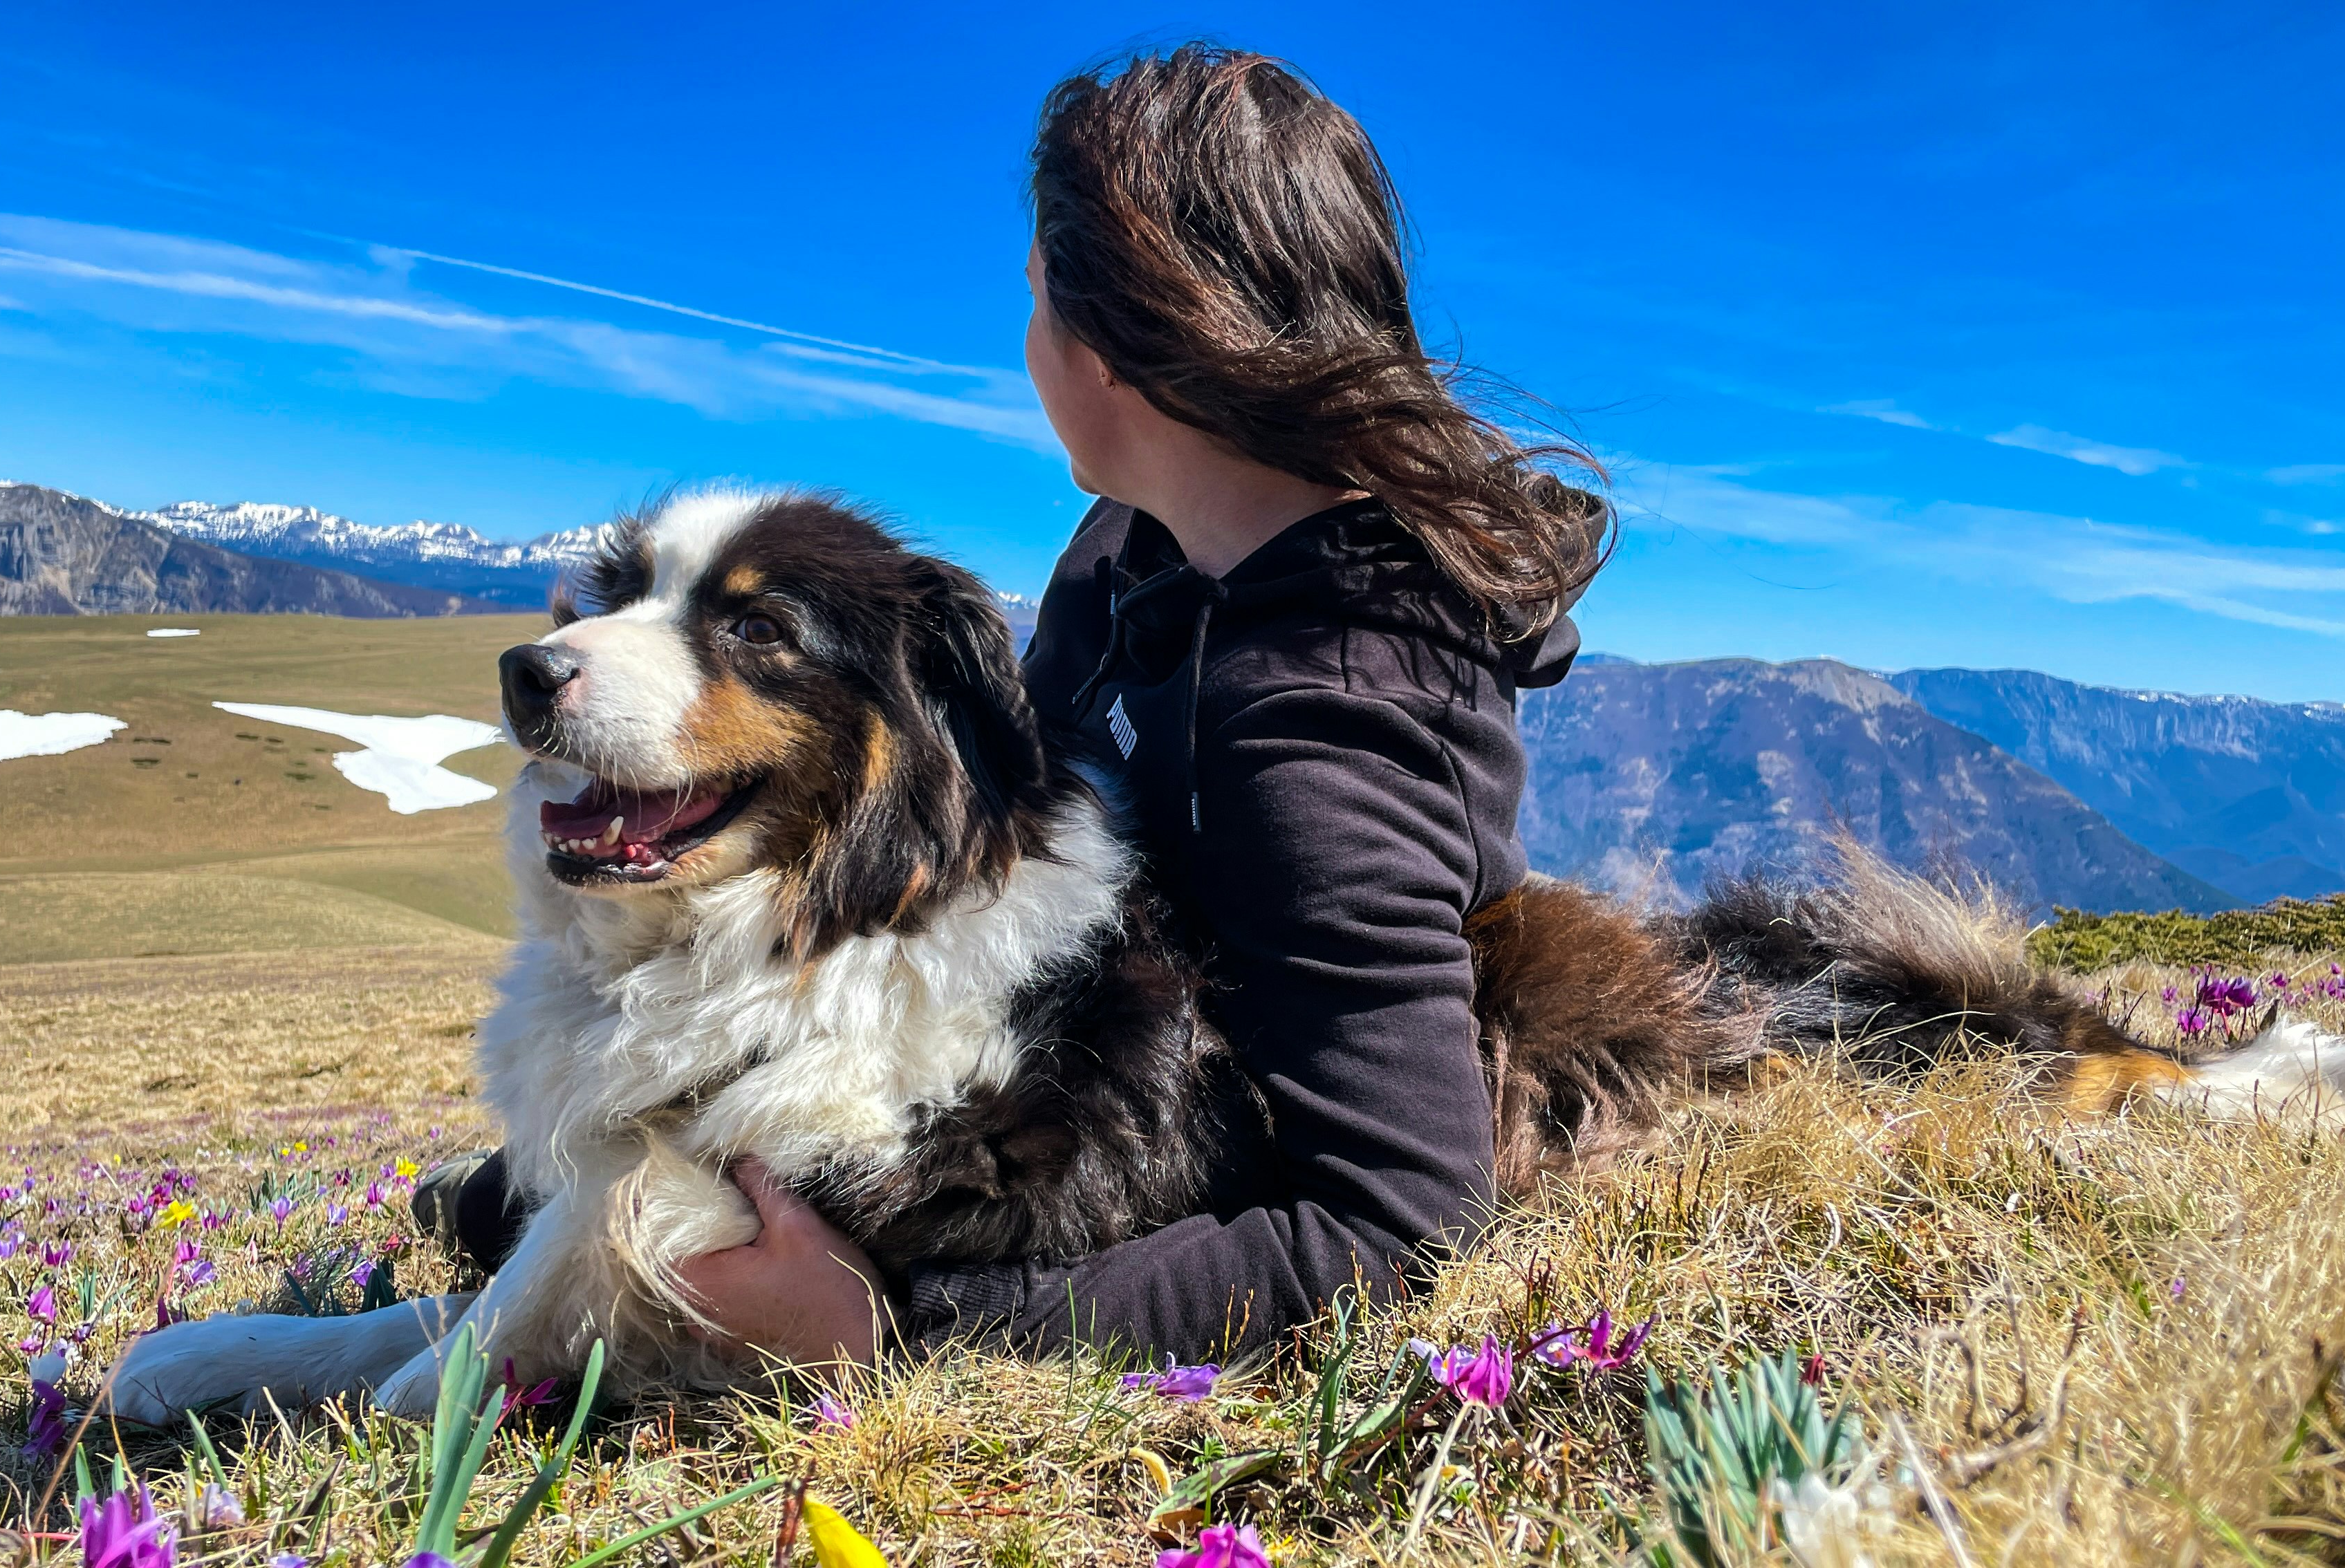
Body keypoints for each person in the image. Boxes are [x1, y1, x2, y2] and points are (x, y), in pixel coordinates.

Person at [418, 43, 1607, 1368]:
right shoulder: (1130, 554)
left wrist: (897, 1328)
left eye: (1039, 301)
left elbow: (1402, 1230)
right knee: (505, 1213)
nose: (1027, 345)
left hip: (1131, 1149)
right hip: (1062, 1074)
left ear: (1116, 340)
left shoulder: (1319, 736)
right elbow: (988, 852)